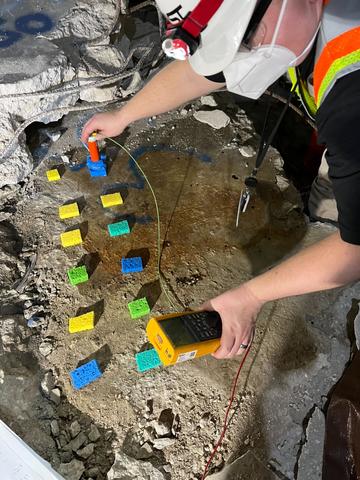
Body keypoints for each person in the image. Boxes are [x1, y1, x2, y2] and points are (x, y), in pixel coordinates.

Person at [82, 0, 360, 359]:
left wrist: (250, 297)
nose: (242, 57)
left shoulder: (351, 103)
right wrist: (125, 114)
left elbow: (354, 251)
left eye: (245, 41)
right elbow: (208, 70)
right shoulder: (288, 16)